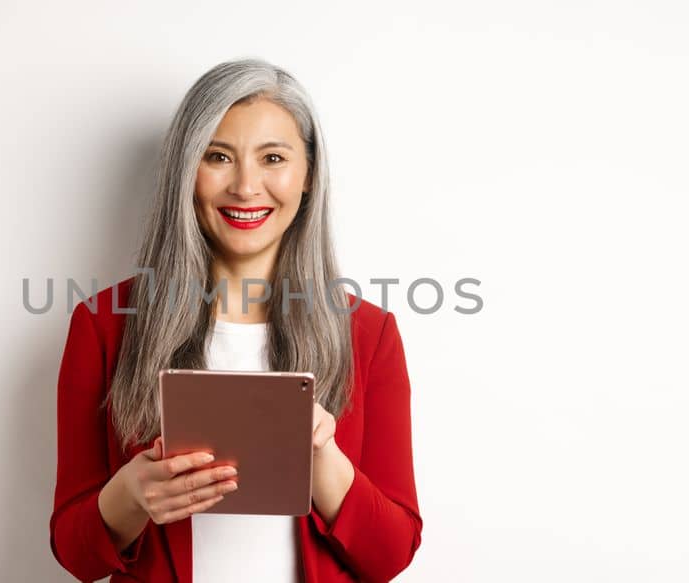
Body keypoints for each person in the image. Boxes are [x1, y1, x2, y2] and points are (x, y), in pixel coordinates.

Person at [49, 58, 422, 582]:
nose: (246, 187)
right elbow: (75, 556)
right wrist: (130, 496)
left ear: (309, 174)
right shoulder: (105, 325)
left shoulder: (368, 334)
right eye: (218, 156)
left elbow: (391, 556)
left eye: (273, 157)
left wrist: (322, 456)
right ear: (186, 170)